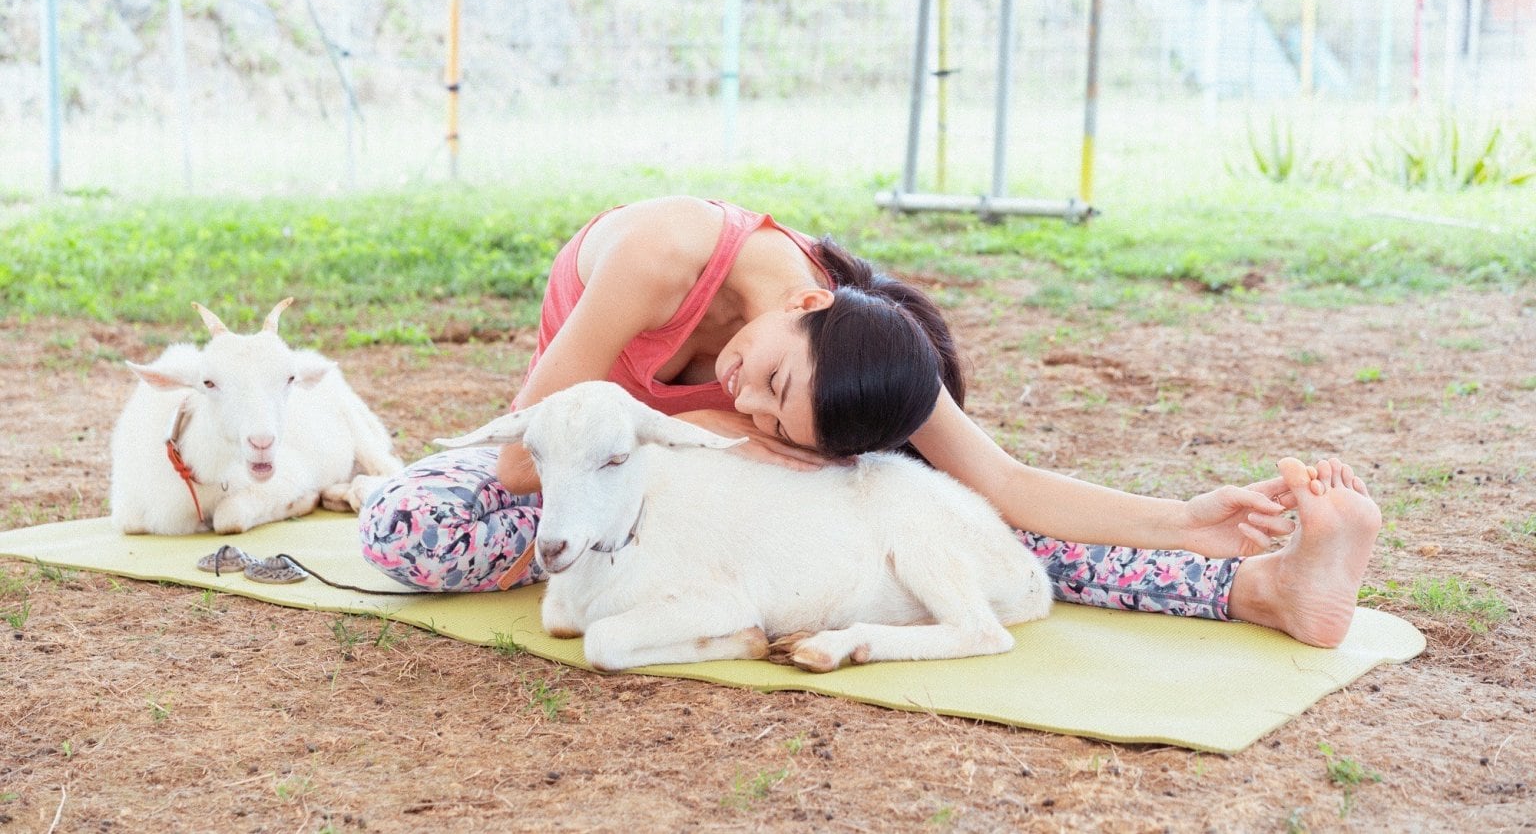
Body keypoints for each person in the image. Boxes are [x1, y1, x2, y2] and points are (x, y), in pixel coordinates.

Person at [360, 196, 1381, 648]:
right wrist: (732, 436)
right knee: (413, 528)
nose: (745, 396)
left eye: (773, 413)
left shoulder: (862, 369)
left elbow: (1008, 486)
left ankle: (1257, 588)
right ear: (803, 303)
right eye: (765, 381)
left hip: (702, 515)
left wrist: (1188, 518)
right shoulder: (667, 253)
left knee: (939, 523)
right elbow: (522, 457)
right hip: (594, 480)